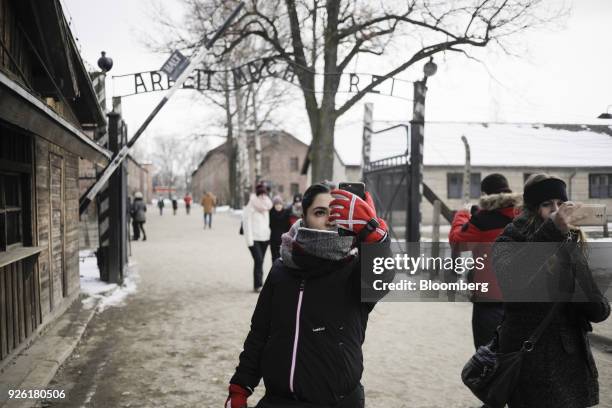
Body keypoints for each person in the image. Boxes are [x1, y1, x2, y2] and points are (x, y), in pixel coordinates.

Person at [225, 182, 392, 408]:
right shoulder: (281, 269)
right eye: (320, 212)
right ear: (303, 217)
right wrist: (240, 387)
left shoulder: (354, 268)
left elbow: (380, 279)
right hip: (278, 400)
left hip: (337, 402)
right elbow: (260, 333)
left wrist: (373, 234)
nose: (330, 219)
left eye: (338, 213)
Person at [493, 174, 610, 408]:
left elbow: (597, 310)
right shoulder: (510, 239)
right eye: (547, 205)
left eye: (560, 204)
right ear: (532, 208)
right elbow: (513, 282)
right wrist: (551, 233)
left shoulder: (570, 241)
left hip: (570, 359)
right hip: (531, 358)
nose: (556, 211)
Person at [449, 173, 520, 349]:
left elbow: (457, 242)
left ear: (484, 194)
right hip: (520, 301)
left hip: (489, 302)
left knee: (487, 358)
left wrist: (462, 215)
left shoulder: (482, 220)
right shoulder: (523, 216)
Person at [241, 184, 273, 292]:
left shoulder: (267, 205)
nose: (263, 196)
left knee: (260, 261)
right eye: (261, 194)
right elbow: (246, 224)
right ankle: (258, 285)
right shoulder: (250, 206)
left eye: (264, 194)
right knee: (258, 260)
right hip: (254, 238)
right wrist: (249, 240)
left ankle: (259, 283)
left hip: (265, 238)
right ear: (257, 194)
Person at [269, 195, 290, 262]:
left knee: (283, 258)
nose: (278, 206)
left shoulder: (286, 213)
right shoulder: (270, 213)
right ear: (274, 205)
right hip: (273, 239)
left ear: (282, 204)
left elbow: (288, 226)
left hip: (283, 239)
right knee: (274, 258)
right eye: (276, 204)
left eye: (280, 204)